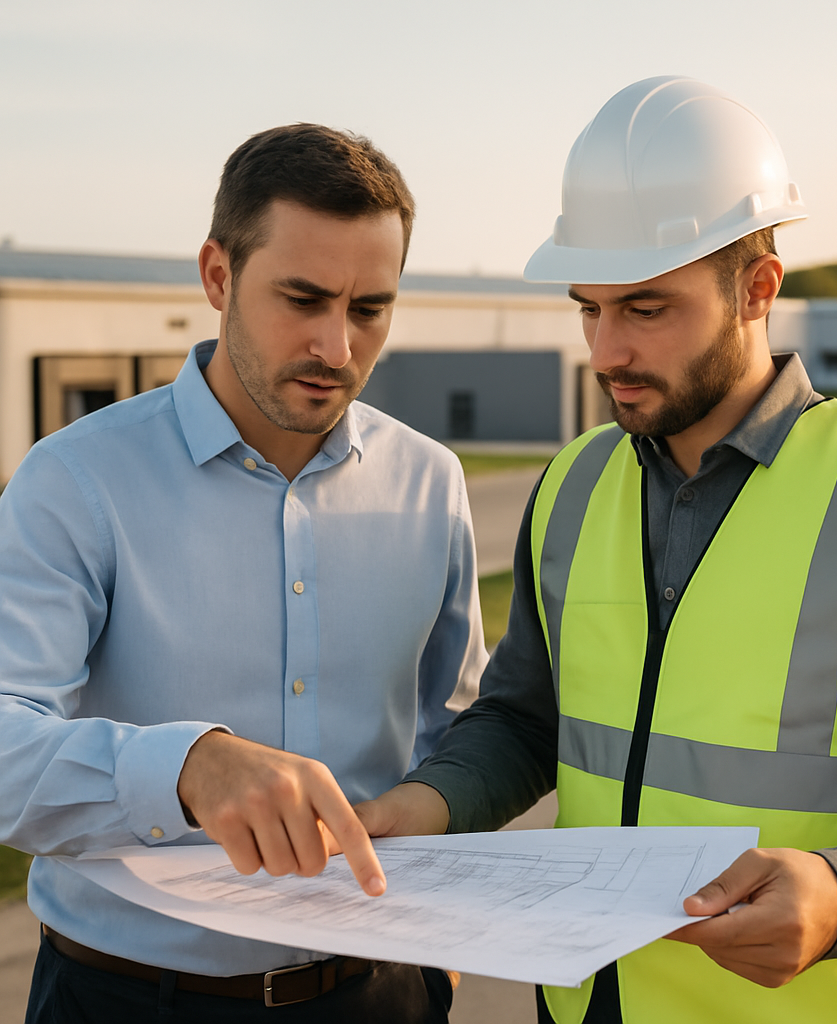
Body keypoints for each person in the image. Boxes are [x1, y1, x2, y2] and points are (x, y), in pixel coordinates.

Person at [358, 77, 837, 1024]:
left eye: (646, 308)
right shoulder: (575, 486)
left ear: (758, 287)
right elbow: (523, 722)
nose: (606, 351)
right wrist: (425, 805)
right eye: (588, 308)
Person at [0, 123, 487, 1022]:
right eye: (302, 298)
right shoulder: (73, 481)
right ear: (218, 276)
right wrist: (187, 767)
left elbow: (456, 735)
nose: (337, 347)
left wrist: (437, 950)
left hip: (377, 992)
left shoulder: (432, 482)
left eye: (370, 308)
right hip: (125, 999)